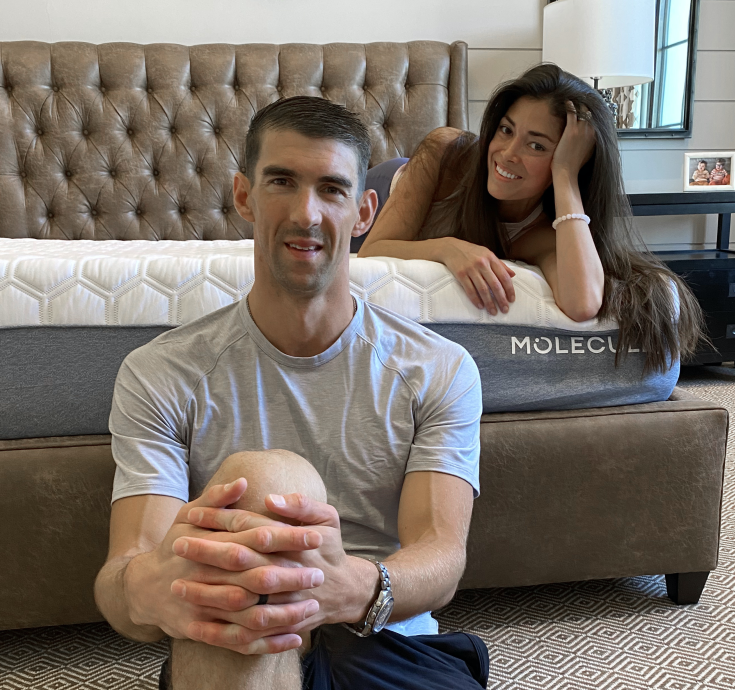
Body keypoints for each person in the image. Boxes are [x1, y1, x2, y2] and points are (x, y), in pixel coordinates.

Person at [93, 96, 489, 690]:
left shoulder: (437, 367)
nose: (306, 212)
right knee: (265, 481)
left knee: (270, 482)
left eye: (332, 189)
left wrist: (347, 586)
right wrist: (147, 592)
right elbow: (124, 573)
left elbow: (441, 555)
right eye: (283, 181)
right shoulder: (160, 372)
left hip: (382, 640)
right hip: (231, 639)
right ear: (244, 196)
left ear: (363, 212)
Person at [357, 63, 702, 374]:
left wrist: (565, 173)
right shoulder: (445, 150)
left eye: (536, 146)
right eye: (506, 130)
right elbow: (373, 252)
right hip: (380, 193)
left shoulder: (538, 234)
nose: (507, 154)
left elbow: (582, 303)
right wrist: (449, 248)